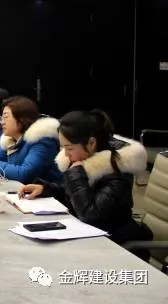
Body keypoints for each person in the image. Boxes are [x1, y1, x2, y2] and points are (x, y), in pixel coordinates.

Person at [19, 110, 153, 260]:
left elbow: (89, 214)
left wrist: (76, 174)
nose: (66, 155)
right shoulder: (87, 162)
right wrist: (47, 189)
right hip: (89, 239)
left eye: (69, 148)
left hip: (115, 247)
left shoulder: (117, 172)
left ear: (91, 143)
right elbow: (75, 196)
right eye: (63, 148)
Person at [0, 96, 62, 184]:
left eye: (6, 117)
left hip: (46, 192)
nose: (2, 122)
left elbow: (25, 174)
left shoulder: (42, 141)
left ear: (21, 119)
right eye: (1, 118)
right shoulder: (12, 140)